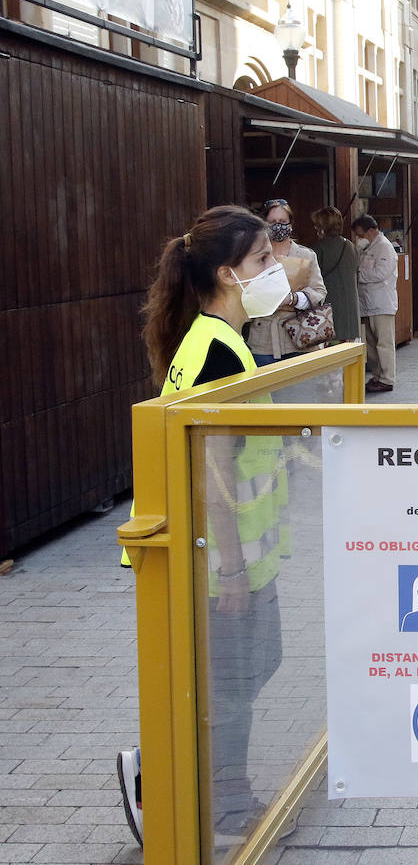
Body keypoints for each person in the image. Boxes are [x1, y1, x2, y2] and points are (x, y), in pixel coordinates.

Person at [118, 205, 290, 847]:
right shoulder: (215, 350)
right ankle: (206, 797)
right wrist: (231, 572)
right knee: (234, 678)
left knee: (252, 665)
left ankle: (173, 768)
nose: (276, 271)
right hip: (221, 555)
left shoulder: (216, 339)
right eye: (263, 262)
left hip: (232, 550)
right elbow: (210, 476)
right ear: (227, 272)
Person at [244, 199, 327, 365]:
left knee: (299, 389)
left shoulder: (306, 255)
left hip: (300, 335)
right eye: (272, 222)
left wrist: (292, 299)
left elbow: (319, 291)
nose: (277, 226)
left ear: (290, 224)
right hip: (263, 339)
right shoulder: (253, 255)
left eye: (282, 222)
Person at [352, 215, 399, 393]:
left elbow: (380, 273)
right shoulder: (367, 248)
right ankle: (377, 376)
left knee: (384, 343)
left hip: (382, 303)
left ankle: (387, 379)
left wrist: (358, 275)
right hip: (367, 304)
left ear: (371, 231)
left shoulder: (385, 247)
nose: (358, 238)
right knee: (371, 344)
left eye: (360, 234)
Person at [311, 206, 360, 342]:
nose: (315, 229)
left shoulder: (317, 249)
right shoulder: (350, 246)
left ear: (322, 227)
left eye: (316, 225)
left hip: (327, 315)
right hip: (350, 313)